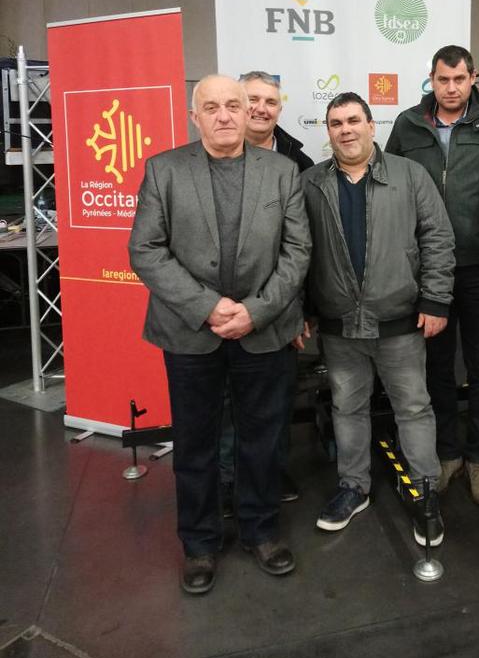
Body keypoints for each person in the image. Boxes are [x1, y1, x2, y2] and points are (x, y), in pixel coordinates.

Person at [129, 75, 311, 595]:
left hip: (264, 329)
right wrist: (209, 307)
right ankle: (200, 543)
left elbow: (297, 252)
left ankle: (260, 530)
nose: (227, 114)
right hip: (189, 333)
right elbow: (146, 250)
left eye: (235, 104)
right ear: (195, 116)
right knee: (195, 443)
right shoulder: (164, 170)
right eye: (213, 107)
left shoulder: (282, 173)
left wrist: (254, 311)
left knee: (262, 440)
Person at [301, 92, 455, 545]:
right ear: (327, 131)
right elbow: (299, 253)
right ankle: (353, 487)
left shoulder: (410, 176)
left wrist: (437, 300)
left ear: (372, 126)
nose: (345, 130)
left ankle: (426, 491)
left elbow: (438, 238)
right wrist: (302, 312)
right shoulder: (311, 183)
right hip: (340, 326)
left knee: (413, 408)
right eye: (335, 123)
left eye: (353, 120)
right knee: (347, 408)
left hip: (400, 322)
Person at [386, 45, 479, 506]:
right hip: (428, 271)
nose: (452, 88)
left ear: (473, 77)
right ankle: (448, 453)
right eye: (443, 80)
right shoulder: (408, 124)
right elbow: (392, 183)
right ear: (432, 80)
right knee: (436, 367)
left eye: (460, 79)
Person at [218, 71, 313, 514]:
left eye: (270, 101)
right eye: (250, 99)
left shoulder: (299, 162)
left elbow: (305, 248)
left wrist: (294, 311)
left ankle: (268, 478)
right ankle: (225, 482)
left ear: (280, 108)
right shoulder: (201, 159)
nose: (260, 108)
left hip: (278, 310)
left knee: (274, 406)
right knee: (223, 409)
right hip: (216, 313)